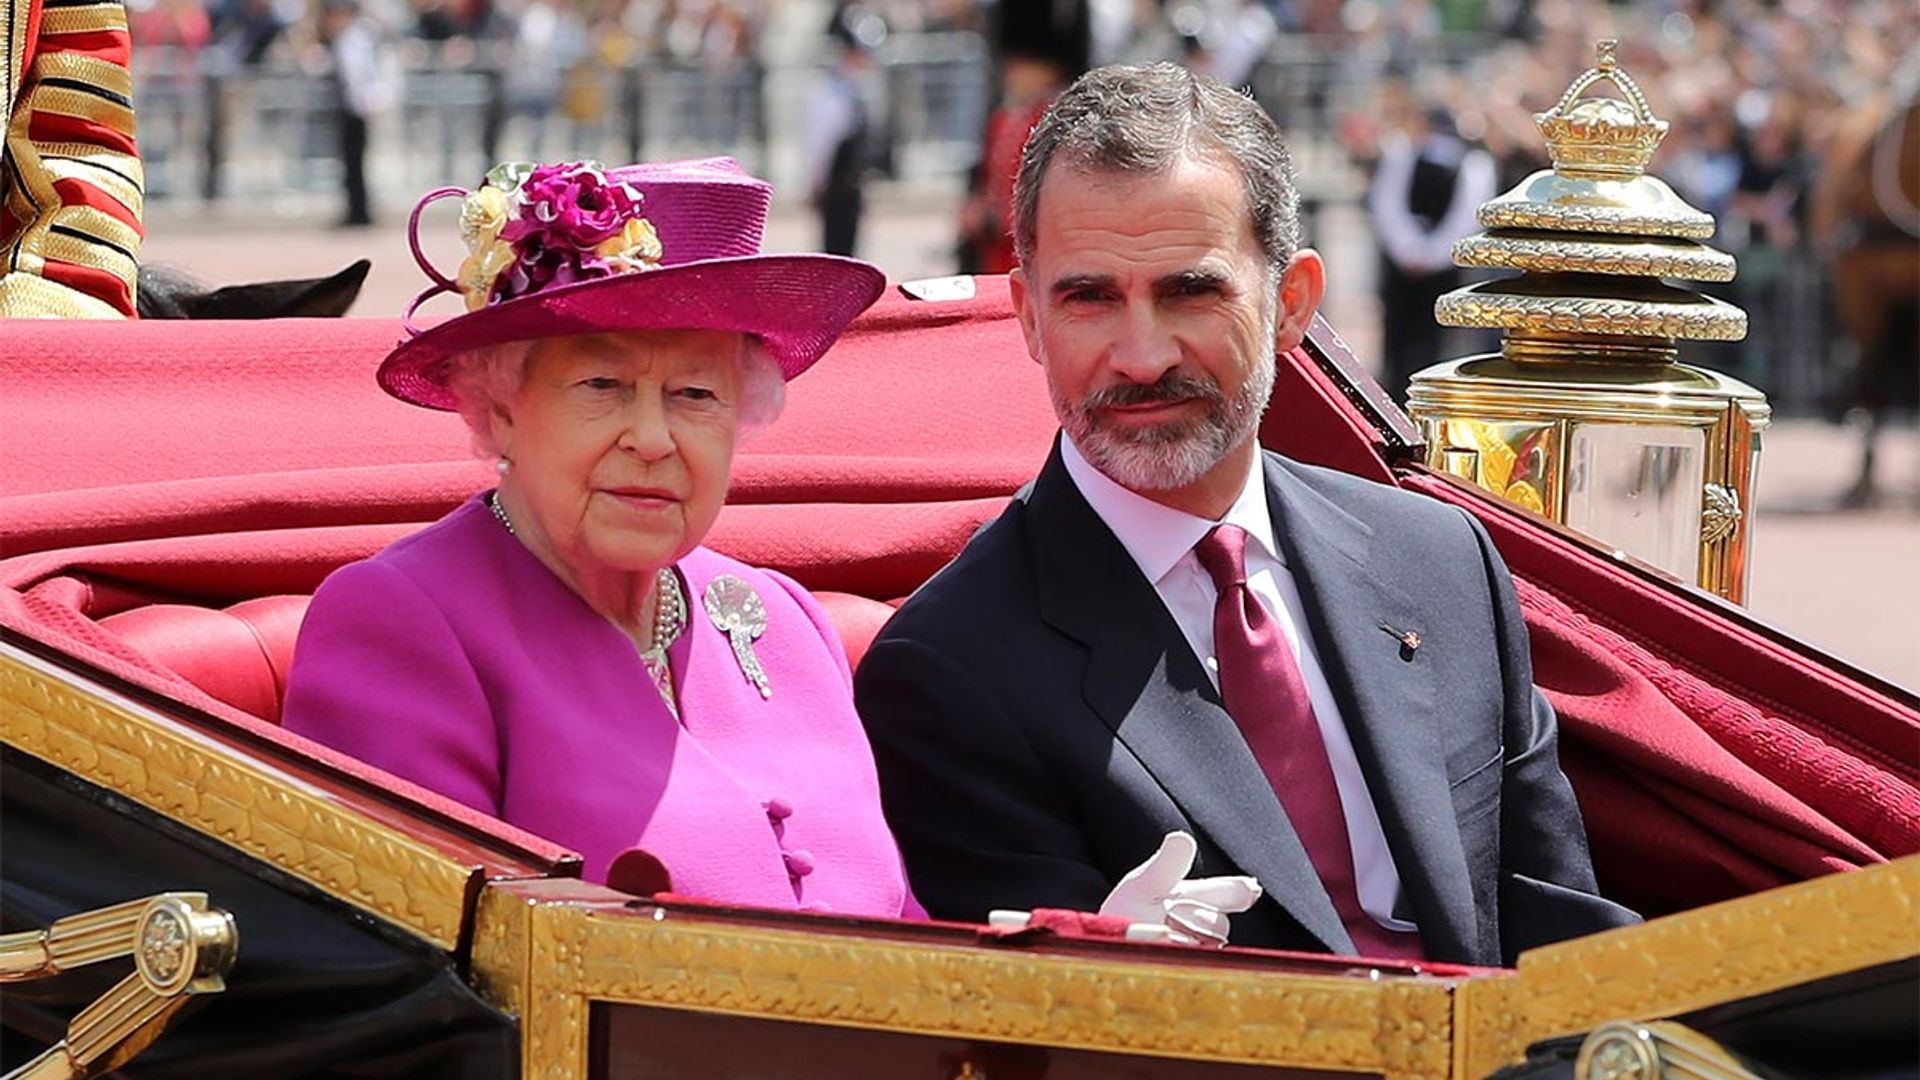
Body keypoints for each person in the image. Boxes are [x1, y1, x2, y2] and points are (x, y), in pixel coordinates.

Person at [855, 63, 1639, 963]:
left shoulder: (1440, 560)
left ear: (1291, 302)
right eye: (1089, 297)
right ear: (1028, 318)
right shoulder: (952, 668)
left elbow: (1560, 926)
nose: (1142, 356)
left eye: (1191, 291)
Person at [281, 156, 920, 919]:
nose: (652, 438)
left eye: (695, 394)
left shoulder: (783, 617)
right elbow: (422, 986)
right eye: (602, 386)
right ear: (502, 406)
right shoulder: (401, 620)